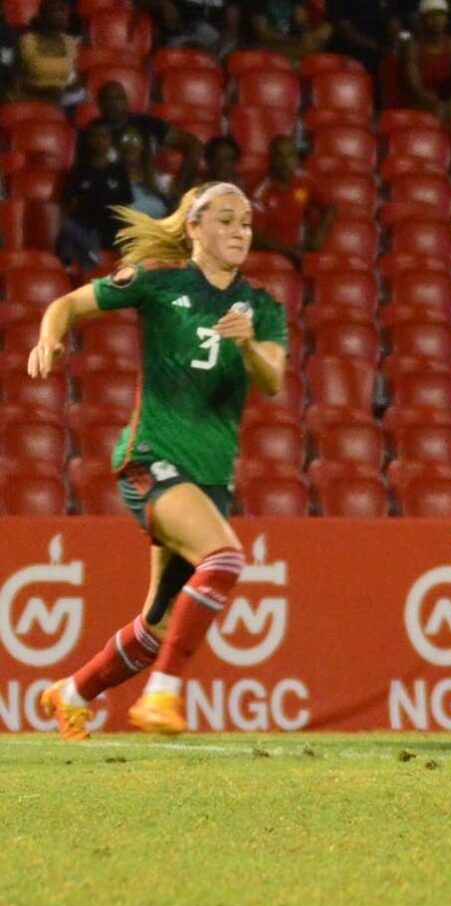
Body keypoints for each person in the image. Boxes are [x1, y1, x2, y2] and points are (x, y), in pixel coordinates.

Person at [28, 181, 289, 741]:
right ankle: (162, 697)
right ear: (194, 227)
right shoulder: (158, 281)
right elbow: (68, 302)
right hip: (151, 458)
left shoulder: (263, 307)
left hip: (210, 475)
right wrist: (51, 338)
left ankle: (71, 692)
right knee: (223, 559)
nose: (240, 230)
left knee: (159, 625)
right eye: (225, 219)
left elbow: (272, 380)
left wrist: (246, 345)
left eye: (245, 221)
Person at [92, 81, 203, 195]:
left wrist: (181, 185)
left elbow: (194, 145)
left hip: (150, 186)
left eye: (119, 98)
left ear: (126, 101)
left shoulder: (147, 124)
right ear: (99, 103)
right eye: (108, 99)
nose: (114, 103)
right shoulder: (92, 132)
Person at [250, 134, 338, 265]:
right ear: (271, 159)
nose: (285, 162)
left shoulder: (305, 180)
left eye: (290, 155)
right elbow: (256, 239)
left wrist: (319, 235)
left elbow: (331, 206)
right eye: (280, 156)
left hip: (299, 251)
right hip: (270, 257)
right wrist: (290, 252)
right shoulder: (260, 192)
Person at [56, 121, 134, 269]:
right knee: (68, 228)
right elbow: (67, 203)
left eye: (104, 136)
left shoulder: (118, 172)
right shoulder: (79, 171)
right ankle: (82, 262)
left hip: (111, 228)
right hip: (85, 225)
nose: (100, 141)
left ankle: (88, 260)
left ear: (111, 140)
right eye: (95, 137)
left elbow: (126, 206)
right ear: (89, 141)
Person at [402, 0, 451, 124]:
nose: (437, 20)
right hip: (418, 102)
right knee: (439, 112)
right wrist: (436, 104)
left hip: (447, 101)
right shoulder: (413, 47)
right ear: (423, 20)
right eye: (432, 15)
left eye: (441, 15)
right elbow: (415, 88)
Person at [18, 0, 85, 110]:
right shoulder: (27, 42)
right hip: (32, 101)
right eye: (57, 10)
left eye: (64, 11)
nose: (63, 15)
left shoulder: (70, 42)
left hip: (63, 101)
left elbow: (72, 76)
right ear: (42, 16)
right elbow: (15, 81)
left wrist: (73, 85)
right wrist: (43, 90)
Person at [137, 0, 240, 55]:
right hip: (180, 39)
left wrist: (213, 50)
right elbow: (140, 3)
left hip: (217, 42)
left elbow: (232, 28)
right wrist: (163, 3)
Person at [245, 0, 332, 61]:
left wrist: (306, 33)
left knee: (314, 45)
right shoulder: (257, 2)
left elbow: (301, 22)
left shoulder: (296, 2)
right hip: (264, 50)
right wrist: (287, 39)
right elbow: (262, 33)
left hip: (291, 47)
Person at [118, 125, 171, 219]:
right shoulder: (112, 179)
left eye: (135, 140)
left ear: (142, 146)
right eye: (126, 140)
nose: (130, 144)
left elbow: (174, 203)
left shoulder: (158, 179)